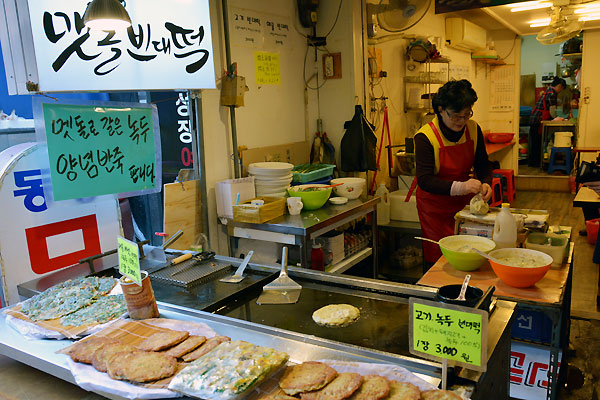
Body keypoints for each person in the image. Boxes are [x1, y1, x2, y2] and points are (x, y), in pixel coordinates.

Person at [409, 79, 494, 265]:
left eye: (466, 115)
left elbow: (483, 163)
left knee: (469, 254)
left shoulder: (473, 128)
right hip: (434, 209)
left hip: (463, 205)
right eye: (456, 116)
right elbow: (425, 180)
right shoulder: (425, 137)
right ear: (440, 109)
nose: (462, 121)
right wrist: (462, 187)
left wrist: (487, 181)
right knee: (439, 261)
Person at [528, 77, 567, 167]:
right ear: (559, 86)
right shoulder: (551, 93)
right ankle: (535, 163)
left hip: (535, 119)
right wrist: (558, 118)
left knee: (535, 142)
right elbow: (552, 111)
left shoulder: (549, 91)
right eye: (561, 89)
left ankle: (534, 162)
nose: (560, 91)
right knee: (537, 143)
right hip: (538, 120)